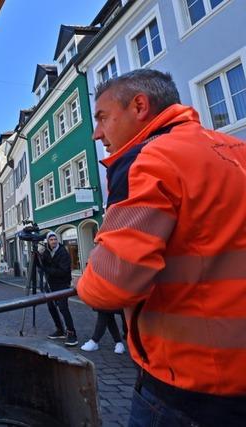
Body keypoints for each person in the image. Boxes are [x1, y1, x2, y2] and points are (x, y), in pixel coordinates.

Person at [77, 69, 246, 426]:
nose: (97, 133)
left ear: (139, 106)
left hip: (188, 386)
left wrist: (88, 276)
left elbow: (109, 285)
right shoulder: (237, 151)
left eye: (103, 117)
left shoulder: (150, 161)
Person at [41, 231, 77, 346]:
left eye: (55, 239)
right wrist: (38, 257)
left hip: (62, 284)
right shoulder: (47, 252)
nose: (53, 241)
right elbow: (42, 265)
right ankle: (60, 330)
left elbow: (63, 271)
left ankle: (72, 334)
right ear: (48, 241)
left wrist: (48, 270)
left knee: (63, 308)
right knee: (51, 307)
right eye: (51, 240)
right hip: (50, 285)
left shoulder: (63, 252)